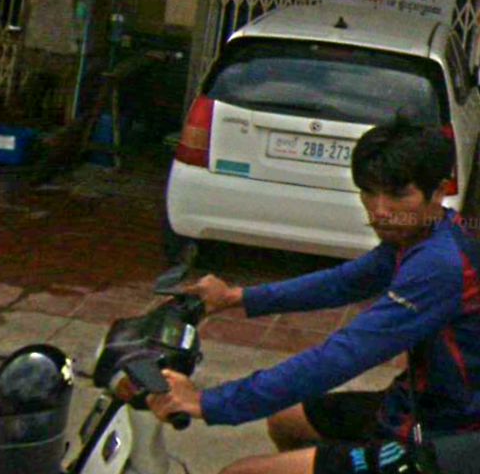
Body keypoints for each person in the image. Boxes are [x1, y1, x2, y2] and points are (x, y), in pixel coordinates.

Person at [147, 121, 480, 474]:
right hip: (418, 400)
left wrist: (207, 402)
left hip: (452, 434)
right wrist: (238, 297)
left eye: (398, 195)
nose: (380, 210)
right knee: (286, 421)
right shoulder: (424, 231)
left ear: (438, 192)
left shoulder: (440, 265)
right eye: (369, 192)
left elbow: (343, 356)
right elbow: (343, 282)